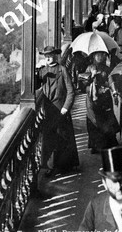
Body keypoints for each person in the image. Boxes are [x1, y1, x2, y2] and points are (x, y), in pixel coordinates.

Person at [36, 46, 79, 176]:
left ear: (55, 56)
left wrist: (66, 108)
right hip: (48, 111)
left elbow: (71, 91)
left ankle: (65, 166)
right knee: (50, 139)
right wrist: (35, 73)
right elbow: (36, 85)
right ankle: (50, 167)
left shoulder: (62, 70)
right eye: (46, 56)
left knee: (64, 138)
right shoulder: (43, 71)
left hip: (61, 110)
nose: (48, 58)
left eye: (50, 55)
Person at [83, 52, 120, 153]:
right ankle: (94, 144)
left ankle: (108, 142)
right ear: (93, 56)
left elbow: (111, 81)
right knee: (93, 120)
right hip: (92, 99)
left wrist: (115, 92)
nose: (100, 57)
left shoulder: (106, 69)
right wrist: (91, 77)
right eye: (97, 55)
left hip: (104, 98)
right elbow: (84, 84)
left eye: (101, 55)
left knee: (107, 119)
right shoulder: (89, 68)